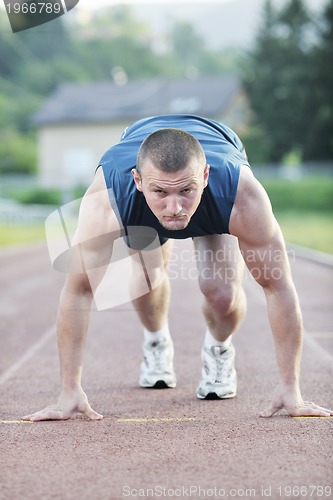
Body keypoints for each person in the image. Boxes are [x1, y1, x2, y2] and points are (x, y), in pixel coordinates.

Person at [22, 114, 332, 421]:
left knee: (221, 292)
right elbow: (78, 291)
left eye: (186, 191)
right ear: (138, 181)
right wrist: (69, 391)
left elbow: (278, 287)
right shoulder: (108, 199)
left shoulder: (241, 195)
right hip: (142, 198)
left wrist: (291, 387)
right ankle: (156, 341)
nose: (174, 208)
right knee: (146, 278)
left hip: (214, 181)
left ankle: (219, 349)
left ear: (206, 176)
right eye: (161, 192)